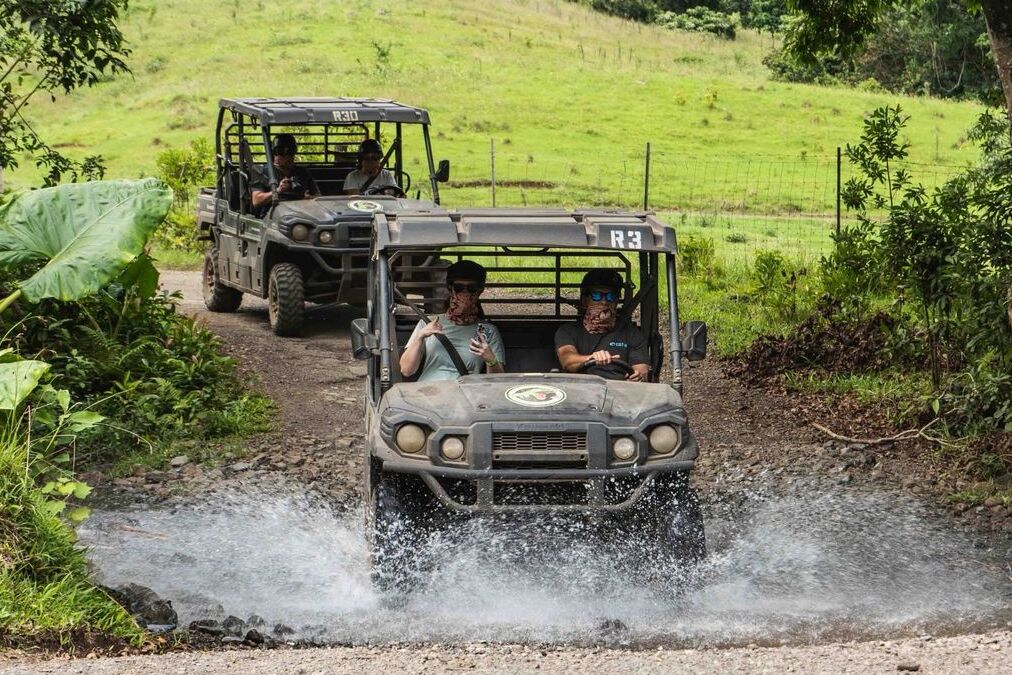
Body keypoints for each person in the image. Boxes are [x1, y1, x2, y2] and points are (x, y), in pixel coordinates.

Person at [399, 260, 506, 382]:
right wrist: (420, 337)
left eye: (471, 288)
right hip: (428, 391)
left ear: (479, 290)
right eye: (459, 288)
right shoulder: (428, 323)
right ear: (450, 289)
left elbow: (498, 382)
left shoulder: (487, 331)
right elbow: (406, 370)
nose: (465, 293)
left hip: (464, 392)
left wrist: (491, 359)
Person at [555, 269, 649, 381]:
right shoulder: (568, 331)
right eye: (596, 296)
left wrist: (638, 377)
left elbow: (642, 370)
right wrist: (591, 358)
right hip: (580, 387)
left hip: (620, 388)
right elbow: (567, 360)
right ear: (585, 300)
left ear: (616, 302)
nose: (604, 302)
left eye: (610, 297)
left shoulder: (632, 334)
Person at [251, 133, 320, 211]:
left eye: (291, 152)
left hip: (300, 211)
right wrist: (277, 191)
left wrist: (310, 199)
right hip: (273, 213)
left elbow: (317, 196)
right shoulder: (262, 172)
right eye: (282, 152)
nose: (288, 156)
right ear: (275, 153)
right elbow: (256, 201)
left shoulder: (302, 172)